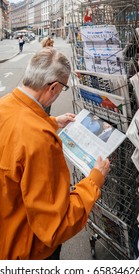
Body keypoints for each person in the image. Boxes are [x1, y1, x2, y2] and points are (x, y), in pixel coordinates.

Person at [0, 47, 110, 260]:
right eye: (63, 89)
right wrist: (95, 179)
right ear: (54, 87)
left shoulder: (4, 106)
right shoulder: (39, 139)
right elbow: (56, 226)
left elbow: (15, 133)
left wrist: (51, 121)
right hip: (27, 252)